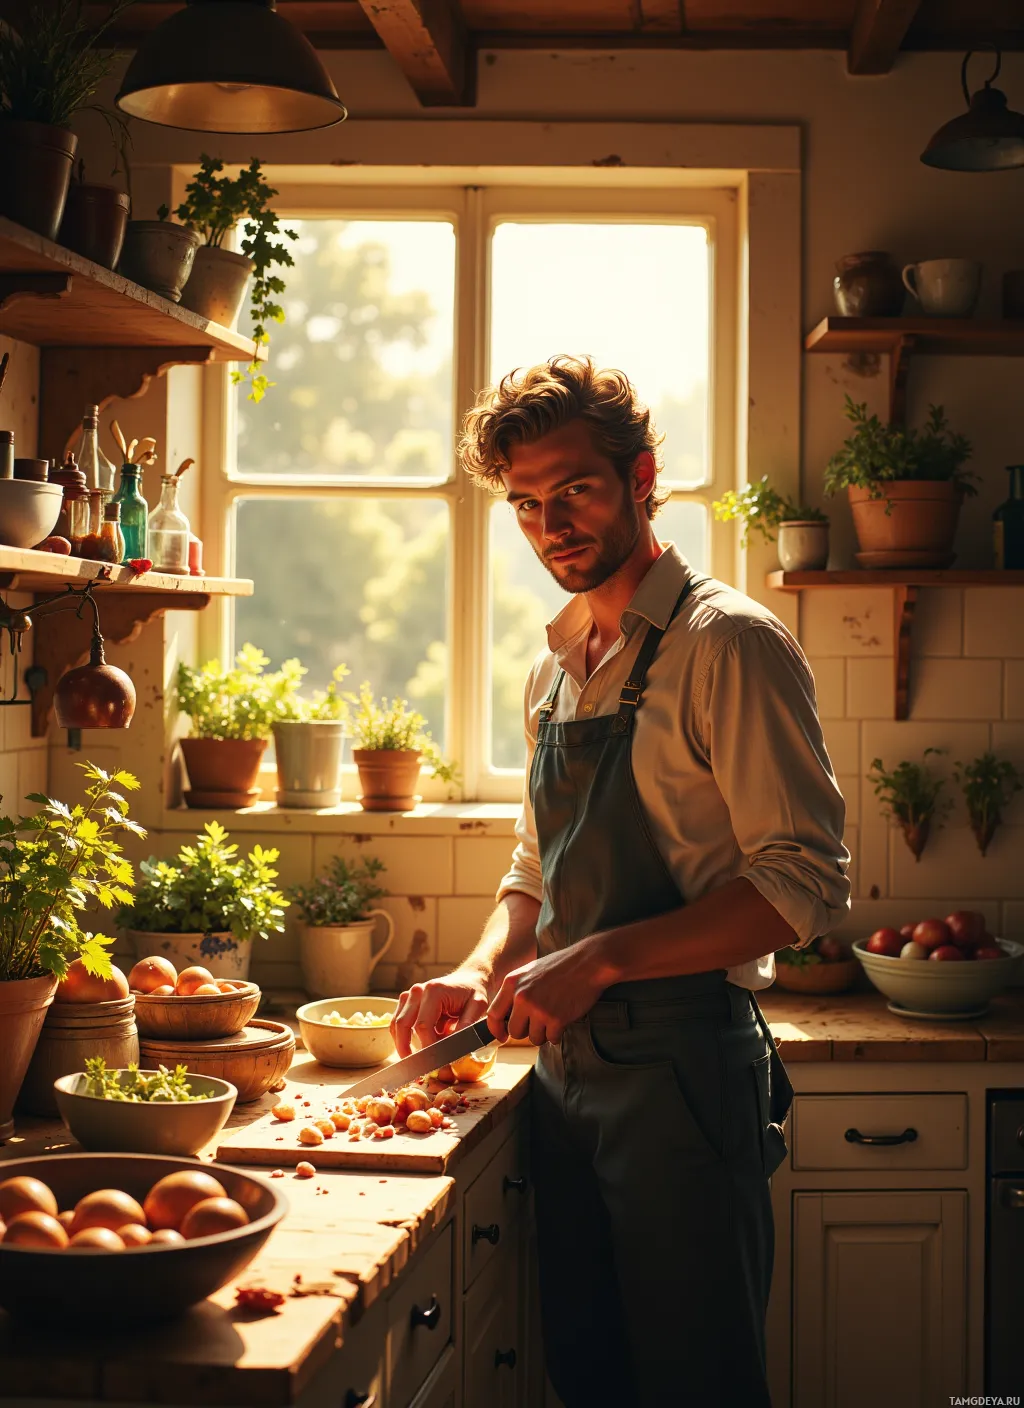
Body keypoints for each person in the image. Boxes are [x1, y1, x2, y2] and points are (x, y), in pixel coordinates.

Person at [391, 355, 850, 1407]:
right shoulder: (553, 670)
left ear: (642, 479)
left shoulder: (725, 643)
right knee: (588, 1374)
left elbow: (802, 884)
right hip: (561, 1081)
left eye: (575, 490)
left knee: (696, 1382)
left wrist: (592, 958)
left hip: (685, 1076)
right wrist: (476, 971)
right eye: (524, 505)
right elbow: (532, 870)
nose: (550, 524)